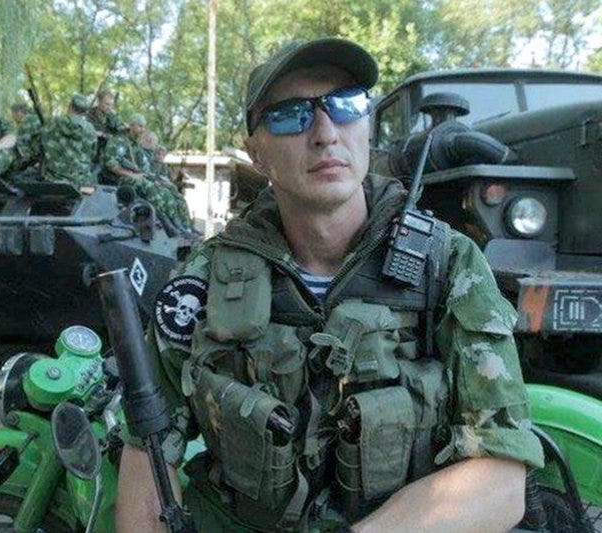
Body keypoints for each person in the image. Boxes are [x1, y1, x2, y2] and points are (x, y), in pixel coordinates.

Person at [116, 38, 544, 532]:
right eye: (290, 116)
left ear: (367, 126)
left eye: (345, 105)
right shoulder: (204, 279)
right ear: (256, 153)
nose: (324, 133)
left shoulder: (447, 264)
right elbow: (147, 451)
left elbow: (502, 478)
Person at [102, 114, 193, 232]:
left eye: (143, 127)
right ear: (132, 125)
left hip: (135, 177)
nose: (142, 130)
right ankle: (166, 223)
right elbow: (111, 164)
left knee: (165, 190)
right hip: (118, 178)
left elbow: (144, 169)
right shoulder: (119, 140)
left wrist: (156, 179)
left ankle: (178, 223)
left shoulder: (135, 145)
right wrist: (132, 175)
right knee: (149, 187)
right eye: (140, 126)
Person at [41, 93, 98, 187]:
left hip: (55, 179)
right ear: (85, 111)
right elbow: (93, 153)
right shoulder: (90, 129)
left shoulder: (54, 122)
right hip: (82, 180)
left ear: (70, 106)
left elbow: (43, 142)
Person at [9, 102, 43, 172]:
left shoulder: (25, 121)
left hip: (35, 156)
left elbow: (20, 142)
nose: (12, 117)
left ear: (19, 112)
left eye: (13, 113)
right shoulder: (35, 118)